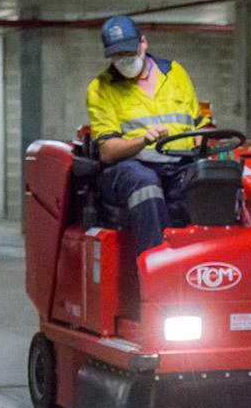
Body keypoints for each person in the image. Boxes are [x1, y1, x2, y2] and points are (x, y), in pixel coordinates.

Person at [86, 15, 205, 255]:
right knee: (145, 184)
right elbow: (107, 152)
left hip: (178, 164)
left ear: (143, 43)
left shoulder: (175, 73)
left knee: (209, 182)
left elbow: (199, 125)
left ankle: (205, 267)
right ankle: (155, 265)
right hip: (127, 169)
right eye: (118, 55)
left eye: (129, 52)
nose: (125, 60)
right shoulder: (100, 88)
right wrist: (143, 140)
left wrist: (201, 151)